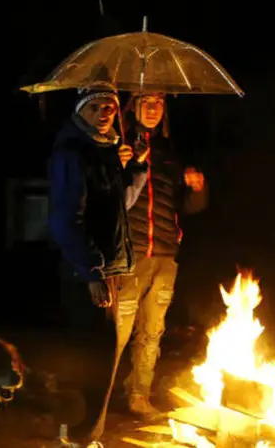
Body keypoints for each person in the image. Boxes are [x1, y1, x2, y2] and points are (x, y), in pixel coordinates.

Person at [48, 82, 147, 444]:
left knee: (100, 361)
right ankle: (77, 437)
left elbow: (122, 207)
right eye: (94, 109)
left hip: (108, 268)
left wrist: (134, 167)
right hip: (89, 271)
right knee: (91, 360)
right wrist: (90, 271)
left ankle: (82, 435)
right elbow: (64, 220)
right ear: (79, 114)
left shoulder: (105, 151)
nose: (103, 114)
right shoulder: (73, 154)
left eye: (109, 108)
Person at [116, 92, 208, 418]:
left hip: (166, 253)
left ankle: (138, 396)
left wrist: (196, 189)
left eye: (158, 102)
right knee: (120, 329)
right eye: (145, 101)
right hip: (131, 252)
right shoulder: (119, 145)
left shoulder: (170, 153)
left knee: (152, 331)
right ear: (132, 105)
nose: (153, 108)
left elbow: (185, 207)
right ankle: (103, 398)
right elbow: (105, 196)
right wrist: (120, 164)